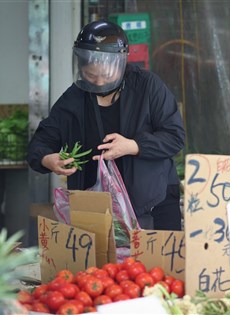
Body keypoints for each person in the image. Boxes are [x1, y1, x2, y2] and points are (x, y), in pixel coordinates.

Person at [27, 20, 185, 231]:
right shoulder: (74, 99)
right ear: (81, 68)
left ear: (121, 64)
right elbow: (40, 143)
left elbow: (175, 137)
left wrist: (133, 146)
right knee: (103, 265)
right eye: (91, 76)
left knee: (158, 264)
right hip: (96, 210)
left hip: (156, 203)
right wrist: (48, 159)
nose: (100, 82)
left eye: (107, 76)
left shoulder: (148, 86)